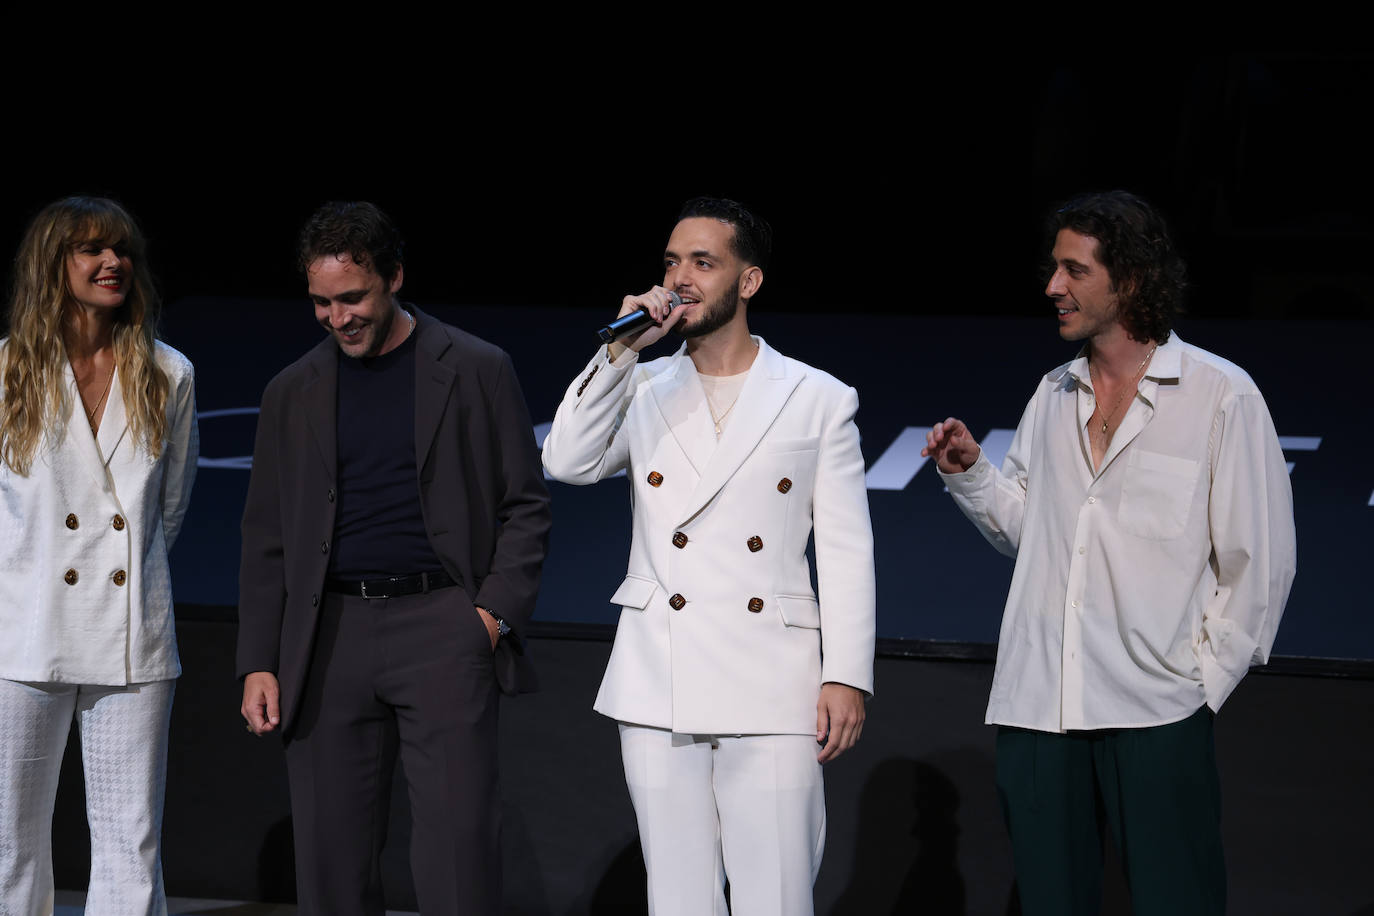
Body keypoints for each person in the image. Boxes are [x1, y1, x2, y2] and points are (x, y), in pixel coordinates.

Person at [923, 190, 1296, 915]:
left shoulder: (1219, 395)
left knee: (1176, 899)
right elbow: (1030, 531)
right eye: (1053, 268)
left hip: (1156, 711)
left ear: (1129, 277)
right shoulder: (1052, 393)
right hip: (1039, 705)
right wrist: (971, 474)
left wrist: (1198, 685)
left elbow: (1260, 561)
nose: (1052, 286)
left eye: (1074, 270)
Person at [542, 197, 875, 916]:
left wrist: (846, 674)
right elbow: (566, 460)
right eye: (671, 262)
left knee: (776, 896)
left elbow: (846, 549)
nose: (680, 278)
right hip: (660, 673)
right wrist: (621, 349)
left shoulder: (817, 397)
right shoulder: (641, 384)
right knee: (678, 899)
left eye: (702, 262)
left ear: (748, 281)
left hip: (775, 681)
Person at [236, 201, 550, 916]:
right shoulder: (291, 391)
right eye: (321, 303)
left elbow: (526, 505)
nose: (337, 317)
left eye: (352, 298)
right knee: (331, 861)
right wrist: (259, 659)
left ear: (395, 277)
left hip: (443, 625)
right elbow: (266, 537)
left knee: (459, 853)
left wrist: (489, 616)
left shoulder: (475, 368)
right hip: (328, 636)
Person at [0, 196, 199, 915]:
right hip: (24, 631)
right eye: (91, 249)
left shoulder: (168, 372)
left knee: (130, 841)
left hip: (130, 634)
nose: (112, 262)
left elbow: (168, 508)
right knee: (11, 839)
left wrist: (135, 579)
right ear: (52, 264)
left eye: (120, 250)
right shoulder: (6, 370)